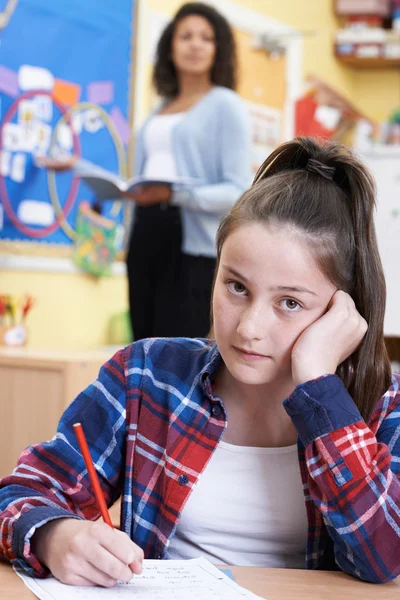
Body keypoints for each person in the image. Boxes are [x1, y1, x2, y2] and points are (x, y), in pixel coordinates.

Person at [1, 136, 399, 587]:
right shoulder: (145, 375)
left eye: (289, 303)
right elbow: (21, 491)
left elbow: (385, 557)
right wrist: (55, 535)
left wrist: (320, 388)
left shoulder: (382, 406)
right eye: (236, 287)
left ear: (341, 311)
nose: (249, 327)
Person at [41, 2, 251, 341]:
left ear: (219, 49)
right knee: (143, 347)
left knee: (180, 353)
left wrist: (174, 194)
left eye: (206, 38)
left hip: (190, 245)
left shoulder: (226, 105)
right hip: (145, 236)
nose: (195, 45)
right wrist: (77, 166)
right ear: (170, 46)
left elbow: (239, 191)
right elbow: (134, 184)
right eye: (185, 36)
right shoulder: (158, 110)